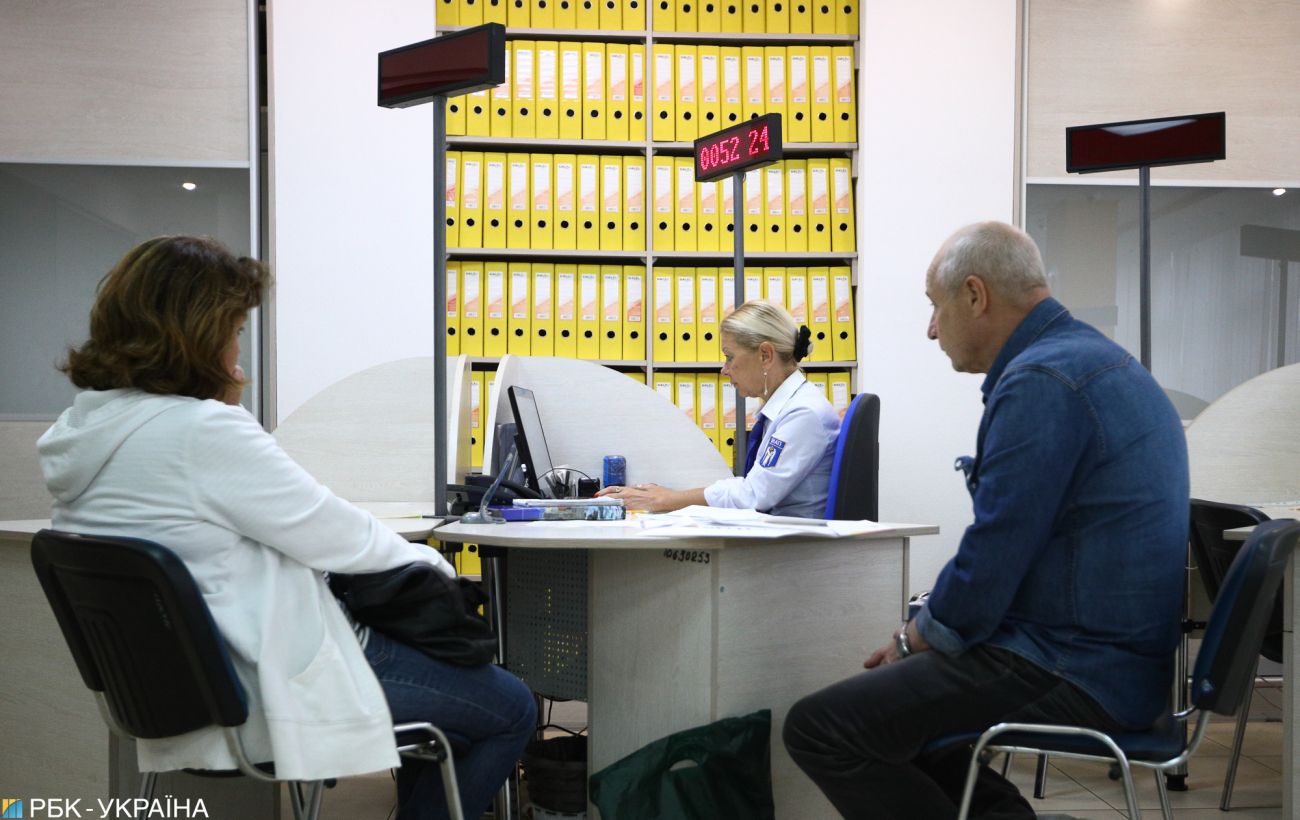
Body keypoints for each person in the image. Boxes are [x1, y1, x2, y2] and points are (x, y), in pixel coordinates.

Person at [37, 236, 536, 820]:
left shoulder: (82, 431)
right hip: (265, 684)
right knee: (511, 707)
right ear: (199, 333)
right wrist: (438, 566)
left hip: (170, 692)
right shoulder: (201, 430)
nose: (237, 345)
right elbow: (341, 538)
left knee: (449, 694)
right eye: (235, 329)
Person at [782, 221, 1189, 819]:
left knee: (821, 728)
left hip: (1076, 667)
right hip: (1118, 664)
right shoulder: (1091, 360)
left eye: (935, 306)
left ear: (975, 295)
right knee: (899, 728)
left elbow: (995, 552)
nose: (931, 328)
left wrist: (914, 637)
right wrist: (932, 629)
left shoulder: (1042, 383)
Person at [598, 299, 841, 518]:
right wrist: (671, 497)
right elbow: (753, 487)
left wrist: (665, 500)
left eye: (730, 357)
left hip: (794, 544)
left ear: (765, 355)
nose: (724, 370)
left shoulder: (803, 414)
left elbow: (754, 495)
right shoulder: (789, 408)